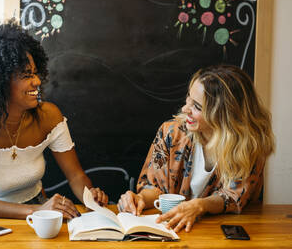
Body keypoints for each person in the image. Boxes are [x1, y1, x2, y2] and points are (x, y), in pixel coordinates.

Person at [0, 21, 108, 219]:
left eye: (35, 73)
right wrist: (35, 212)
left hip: (37, 209)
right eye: (27, 75)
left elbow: (76, 176)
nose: (36, 81)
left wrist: (90, 197)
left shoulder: (49, 116)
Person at [117, 65, 275, 232]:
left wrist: (200, 205)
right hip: (173, 232)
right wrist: (140, 198)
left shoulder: (248, 145)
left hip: (220, 233)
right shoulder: (170, 132)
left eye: (197, 107)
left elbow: (235, 197)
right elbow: (155, 186)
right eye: (188, 98)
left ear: (224, 114)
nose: (185, 109)